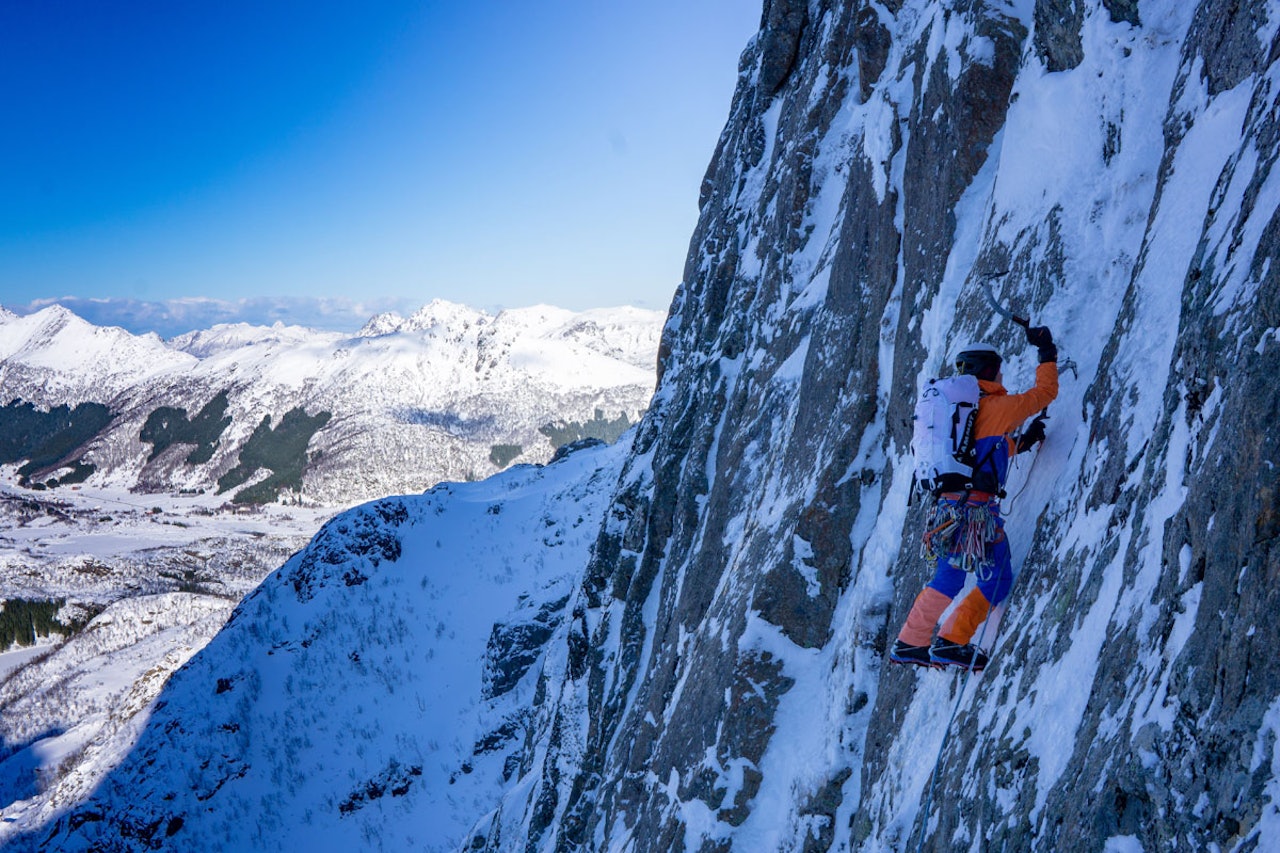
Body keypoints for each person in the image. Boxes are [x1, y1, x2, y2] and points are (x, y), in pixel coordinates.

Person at [890, 325, 1058, 670]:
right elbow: (1044, 393)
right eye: (998, 369)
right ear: (990, 370)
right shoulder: (998, 406)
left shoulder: (955, 414)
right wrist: (1046, 352)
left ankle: (914, 640)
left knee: (950, 575)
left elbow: (977, 452)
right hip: (976, 513)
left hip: (947, 510)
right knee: (995, 578)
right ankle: (948, 641)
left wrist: (1019, 445)